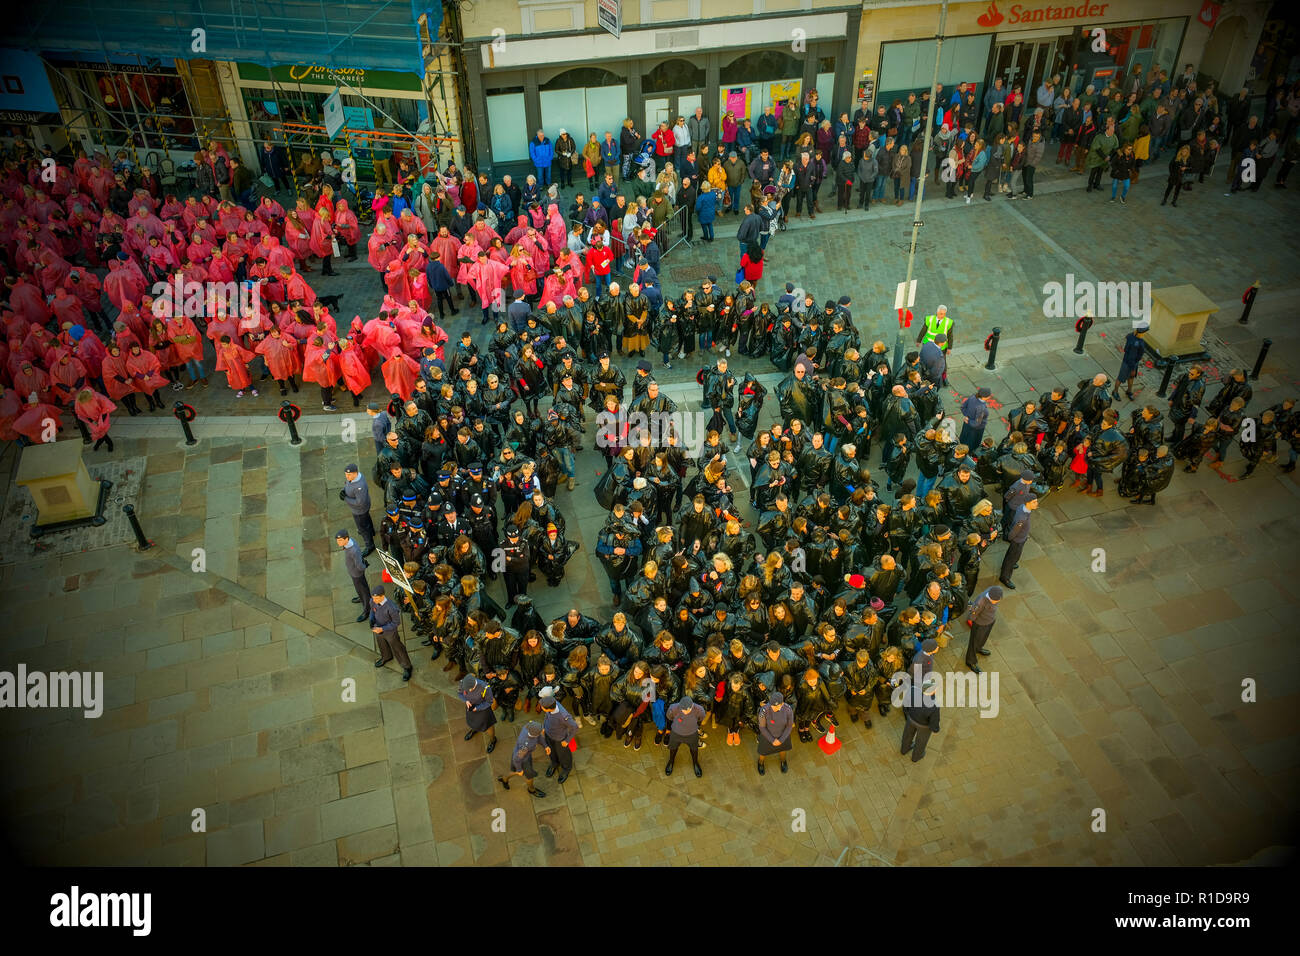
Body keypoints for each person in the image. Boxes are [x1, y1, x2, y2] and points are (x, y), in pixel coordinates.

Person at [370, 584, 413, 681]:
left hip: (390, 632)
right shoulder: (372, 601)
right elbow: (372, 611)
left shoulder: (392, 607)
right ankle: (386, 656)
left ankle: (407, 666)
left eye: (376, 598)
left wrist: (383, 629)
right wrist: (371, 621)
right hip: (378, 628)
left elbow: (396, 623)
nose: (374, 601)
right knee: (381, 644)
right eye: (373, 598)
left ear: (382, 596)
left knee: (398, 648)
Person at [538, 687, 579, 783]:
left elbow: (574, 727)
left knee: (564, 755)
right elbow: (546, 716)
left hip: (560, 739)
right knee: (551, 752)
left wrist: (567, 740)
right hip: (549, 735)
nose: (541, 707)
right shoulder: (550, 707)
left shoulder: (563, 716)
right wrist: (544, 727)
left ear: (547, 708)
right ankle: (554, 763)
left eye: (542, 707)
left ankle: (566, 768)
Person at [497, 720, 547, 797]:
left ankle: (504, 778)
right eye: (541, 730)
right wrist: (519, 769)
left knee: (514, 771)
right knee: (529, 776)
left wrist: (545, 746)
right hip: (523, 760)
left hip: (525, 755)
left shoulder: (528, 727)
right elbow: (516, 759)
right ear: (535, 734)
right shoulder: (525, 745)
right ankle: (531, 789)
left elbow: (539, 737)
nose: (543, 730)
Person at [998, 493, 1037, 590]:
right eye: (1034, 502)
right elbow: (1014, 532)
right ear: (1028, 503)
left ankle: (1013, 563)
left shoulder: (1023, 507)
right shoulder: (1022, 518)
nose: (1036, 503)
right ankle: (1005, 577)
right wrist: (1012, 539)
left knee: (1015, 556)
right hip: (1018, 540)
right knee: (1011, 557)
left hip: (1022, 538)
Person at [900, 672, 941, 763]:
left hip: (911, 719)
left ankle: (904, 749)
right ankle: (916, 756)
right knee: (921, 742)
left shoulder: (913, 690)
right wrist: (935, 729)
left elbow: (906, 703)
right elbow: (934, 721)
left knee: (907, 735)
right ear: (932, 692)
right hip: (924, 726)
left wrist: (907, 713)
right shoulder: (934, 705)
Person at [964, 584, 1001, 672]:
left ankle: (979, 648)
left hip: (990, 620)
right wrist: (973, 623)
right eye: (994, 601)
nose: (996, 602)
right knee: (974, 642)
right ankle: (970, 660)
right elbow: (973, 614)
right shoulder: (980, 602)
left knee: (984, 637)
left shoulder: (995, 591)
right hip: (980, 624)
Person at [755, 691, 793, 776]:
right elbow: (762, 727)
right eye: (772, 705)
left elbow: (789, 726)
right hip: (767, 736)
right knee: (763, 752)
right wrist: (772, 740)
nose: (774, 708)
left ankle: (783, 761)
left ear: (782, 703)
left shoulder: (788, 709)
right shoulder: (764, 710)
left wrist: (781, 740)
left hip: (783, 735)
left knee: (783, 750)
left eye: (777, 706)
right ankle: (760, 763)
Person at [337, 530, 372, 622]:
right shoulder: (350, 542)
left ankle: (367, 610)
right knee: (360, 589)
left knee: (363, 590)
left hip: (357, 574)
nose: (338, 542)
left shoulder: (353, 550)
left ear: (346, 539)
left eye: (340, 540)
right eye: (338, 540)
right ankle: (361, 598)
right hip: (353, 571)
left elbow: (360, 566)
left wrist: (364, 566)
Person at [341, 465, 376, 555]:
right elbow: (348, 484)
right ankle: (371, 531)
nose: (347, 476)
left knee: (363, 528)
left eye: (349, 474)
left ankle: (370, 545)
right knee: (367, 519)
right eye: (346, 474)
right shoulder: (355, 478)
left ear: (355, 474)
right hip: (363, 509)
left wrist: (345, 498)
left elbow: (359, 502)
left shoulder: (359, 486)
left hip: (359, 510)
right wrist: (344, 490)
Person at [458, 673, 498, 752]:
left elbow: (489, 702)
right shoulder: (462, 682)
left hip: (484, 710)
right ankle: (474, 729)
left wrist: (478, 708)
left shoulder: (485, 687)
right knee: (472, 721)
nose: (469, 691)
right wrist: (466, 701)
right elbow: (460, 693)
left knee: (488, 726)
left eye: (471, 689)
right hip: (471, 708)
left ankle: (493, 740)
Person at [1116, 325, 1148, 400]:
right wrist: (1133, 369)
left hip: (1131, 361)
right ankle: (1115, 392)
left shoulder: (1131, 335)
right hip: (1129, 363)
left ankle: (1129, 391)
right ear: (1142, 333)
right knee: (1121, 378)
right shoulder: (1137, 343)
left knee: (1131, 377)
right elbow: (1132, 357)